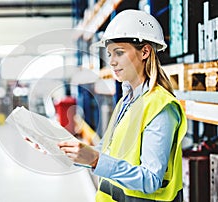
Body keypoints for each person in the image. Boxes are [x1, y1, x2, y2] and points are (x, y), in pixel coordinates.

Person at [58, 9, 187, 202]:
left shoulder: (160, 106)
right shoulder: (126, 102)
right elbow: (107, 151)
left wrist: (95, 160)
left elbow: (150, 180)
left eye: (119, 53)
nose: (111, 61)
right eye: (109, 54)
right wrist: (64, 149)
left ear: (145, 52)